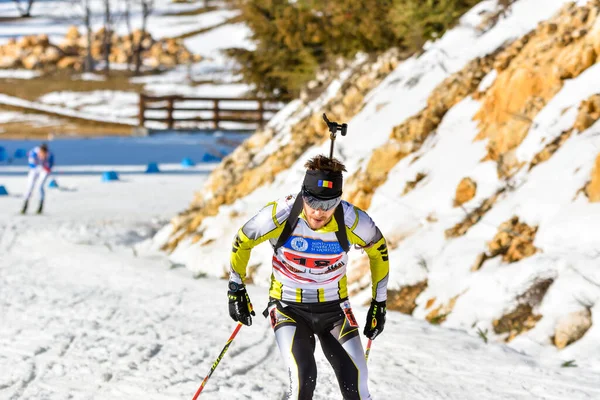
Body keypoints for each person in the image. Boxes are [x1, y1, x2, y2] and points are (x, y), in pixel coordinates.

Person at [227, 154, 389, 399]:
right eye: (312, 201)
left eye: (328, 204)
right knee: (304, 378)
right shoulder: (280, 214)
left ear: (339, 200)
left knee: (356, 383)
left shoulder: (353, 221)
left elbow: (379, 251)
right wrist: (236, 288)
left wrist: (379, 302)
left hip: (334, 308)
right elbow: (243, 239)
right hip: (288, 306)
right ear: (303, 193)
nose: (318, 212)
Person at [21, 143, 54, 214]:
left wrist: (46, 167)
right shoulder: (33, 153)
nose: (42, 156)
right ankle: (25, 206)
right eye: (41, 154)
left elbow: (50, 166)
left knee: (40, 186)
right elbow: (31, 165)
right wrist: (40, 166)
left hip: (44, 170)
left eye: (44, 154)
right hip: (35, 169)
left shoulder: (50, 155)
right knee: (30, 186)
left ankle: (40, 206)